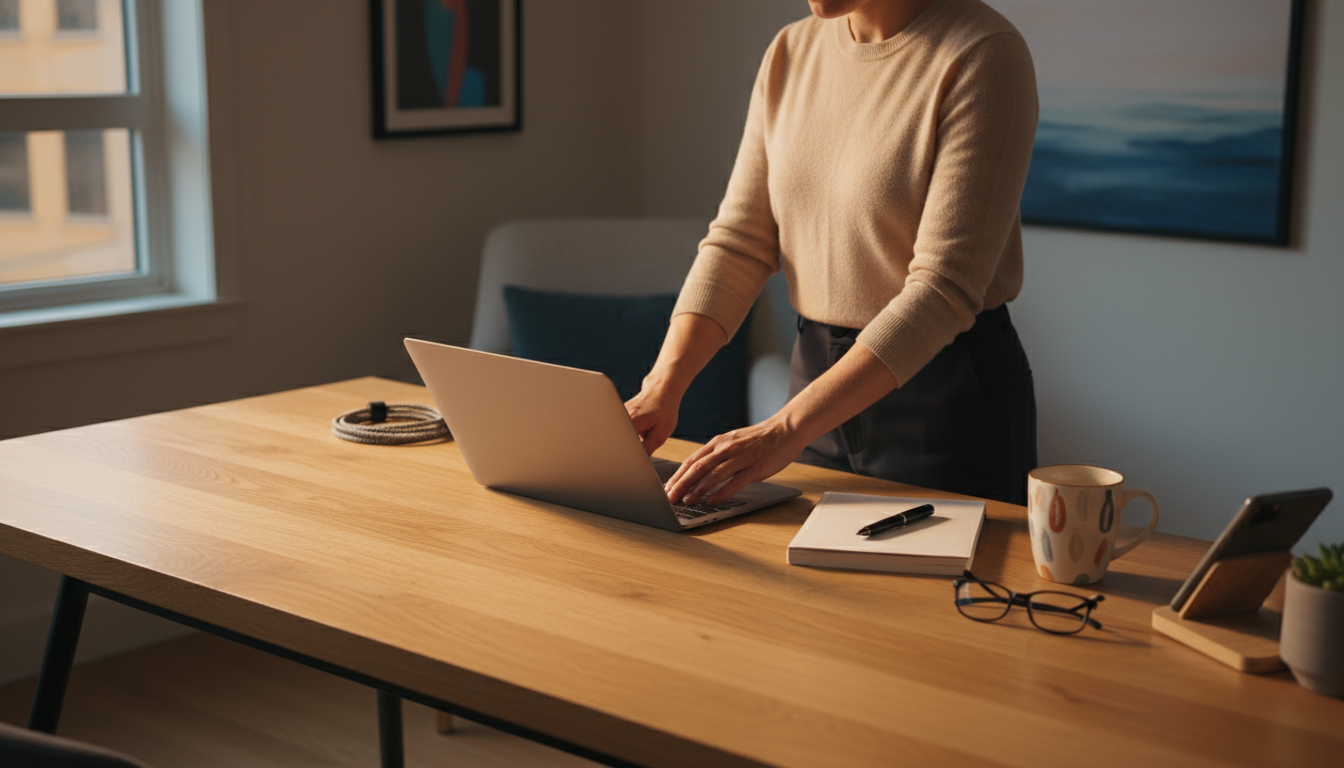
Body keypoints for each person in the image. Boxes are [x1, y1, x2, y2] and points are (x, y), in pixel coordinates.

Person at [626, 0, 1039, 508]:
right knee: (800, 585)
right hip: (815, 381)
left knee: (928, 588)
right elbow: (740, 239)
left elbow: (942, 290)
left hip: (943, 397)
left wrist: (786, 427)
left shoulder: (984, 54)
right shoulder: (790, 51)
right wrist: (662, 385)